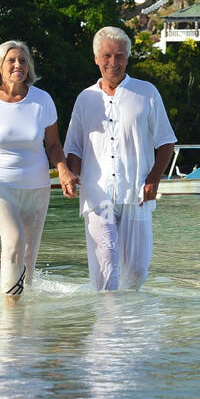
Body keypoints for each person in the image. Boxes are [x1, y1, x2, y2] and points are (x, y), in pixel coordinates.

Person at [0, 40, 76, 301]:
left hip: (36, 186)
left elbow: (54, 145)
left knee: (28, 254)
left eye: (23, 61)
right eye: (11, 60)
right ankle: (10, 307)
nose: (18, 65)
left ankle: (24, 319)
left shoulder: (42, 100)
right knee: (14, 239)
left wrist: (63, 171)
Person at [64, 27, 176, 291]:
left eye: (119, 56)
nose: (112, 62)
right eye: (106, 56)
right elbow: (75, 147)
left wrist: (153, 180)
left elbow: (166, 141)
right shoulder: (85, 99)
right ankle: (105, 326)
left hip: (136, 190)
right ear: (96, 58)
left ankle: (132, 326)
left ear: (127, 58)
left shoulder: (146, 93)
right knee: (107, 263)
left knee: (136, 271)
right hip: (96, 192)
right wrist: (70, 176)